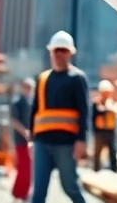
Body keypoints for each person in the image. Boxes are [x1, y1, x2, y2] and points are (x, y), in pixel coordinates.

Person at [30, 30, 89, 203]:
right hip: (42, 142)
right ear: (50, 52)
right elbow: (35, 110)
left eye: (63, 50)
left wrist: (81, 141)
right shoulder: (42, 79)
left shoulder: (77, 78)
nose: (59, 54)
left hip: (66, 144)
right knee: (38, 192)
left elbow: (84, 111)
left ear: (70, 53)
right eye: (56, 50)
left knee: (70, 186)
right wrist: (31, 139)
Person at [10, 78, 35, 201]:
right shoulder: (17, 102)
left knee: (30, 168)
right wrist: (25, 132)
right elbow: (14, 121)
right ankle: (18, 192)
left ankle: (24, 192)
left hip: (32, 139)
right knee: (23, 167)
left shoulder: (33, 102)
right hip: (21, 140)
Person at [91, 80, 117, 172]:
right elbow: (95, 114)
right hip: (99, 132)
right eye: (105, 92)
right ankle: (96, 170)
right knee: (97, 153)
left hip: (110, 131)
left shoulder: (113, 103)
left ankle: (114, 170)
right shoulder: (96, 102)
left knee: (113, 151)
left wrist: (108, 107)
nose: (106, 94)